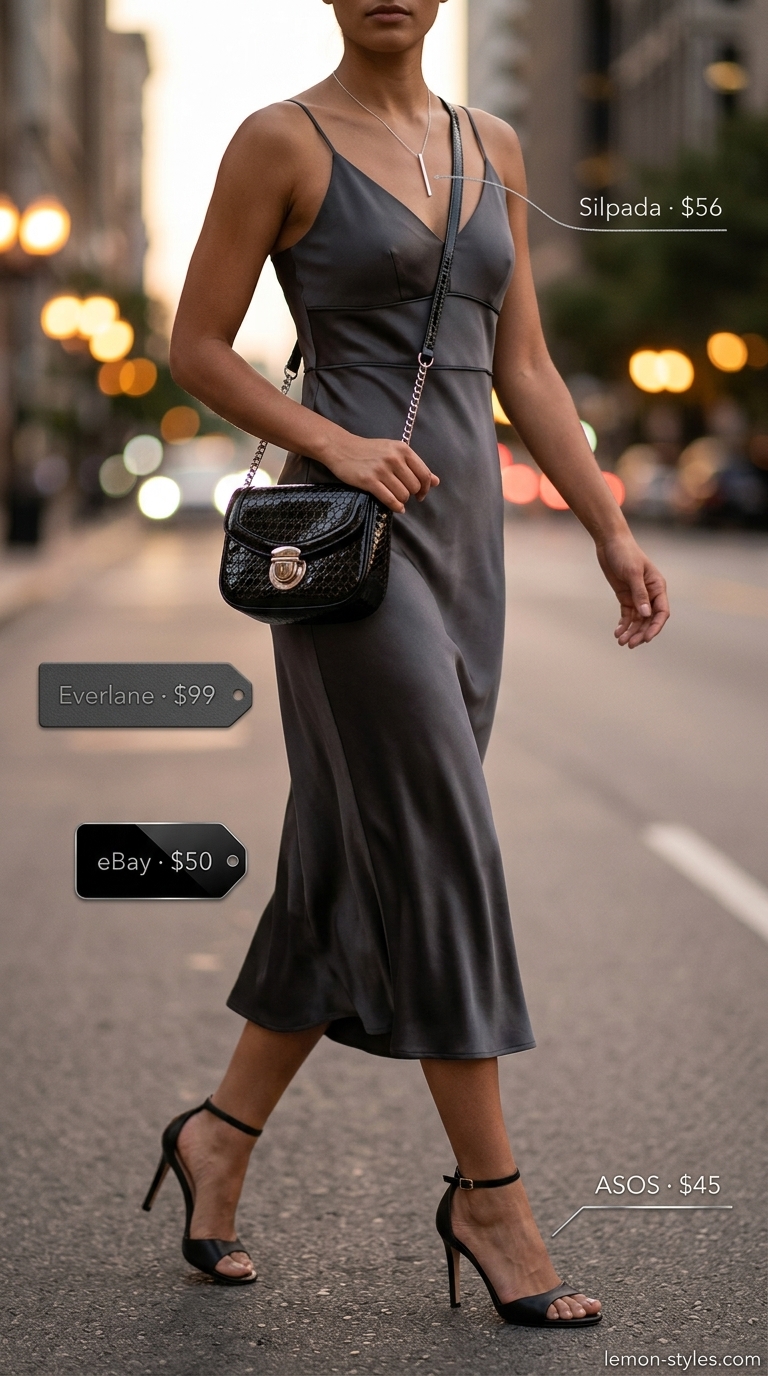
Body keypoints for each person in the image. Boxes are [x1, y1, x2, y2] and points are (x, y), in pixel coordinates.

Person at [145, 0, 669, 1325]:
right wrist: (330, 441)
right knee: (442, 839)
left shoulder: (494, 142)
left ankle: (217, 1135)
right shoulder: (282, 141)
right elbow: (196, 349)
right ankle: (489, 1196)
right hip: (344, 553)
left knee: (348, 870)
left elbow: (526, 367)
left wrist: (609, 524)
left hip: (468, 546)